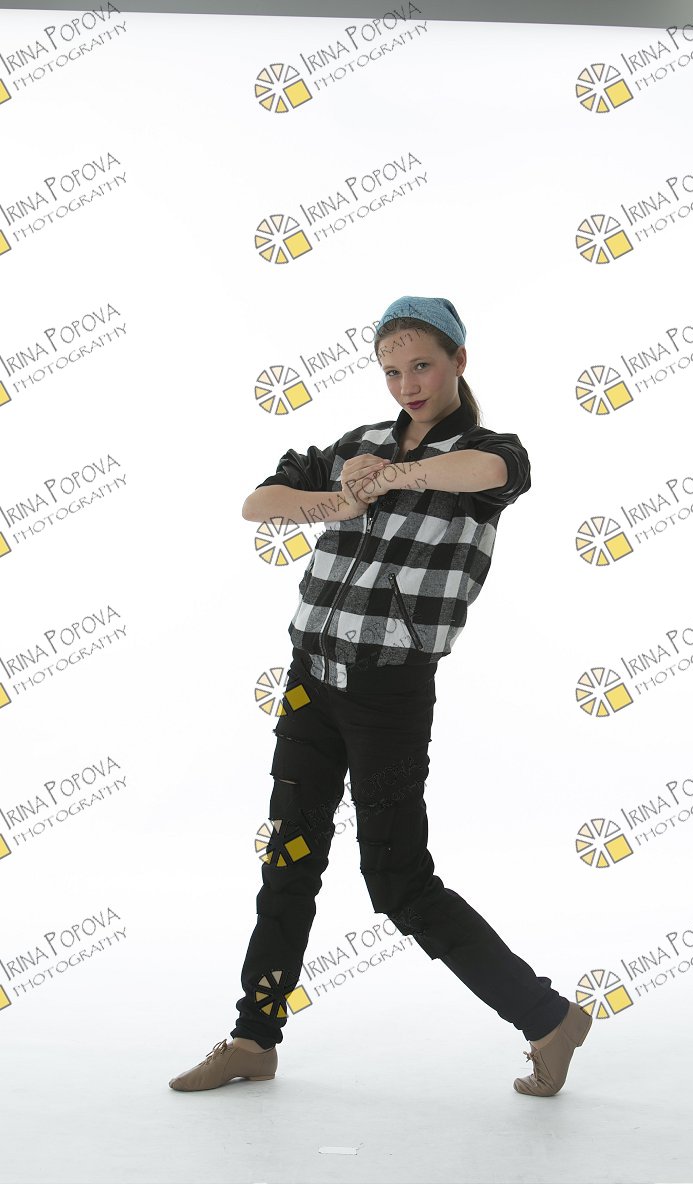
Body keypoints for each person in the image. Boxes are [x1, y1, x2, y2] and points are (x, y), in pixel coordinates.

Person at [169, 295, 592, 1097]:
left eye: (422, 365)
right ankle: (254, 1038)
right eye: (392, 371)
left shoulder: (486, 452)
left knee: (398, 881)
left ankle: (549, 1018)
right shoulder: (354, 446)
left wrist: (393, 476)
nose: (408, 384)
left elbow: (494, 474)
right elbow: (260, 503)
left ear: (459, 360)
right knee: (289, 858)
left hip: (388, 691)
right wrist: (343, 498)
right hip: (310, 680)